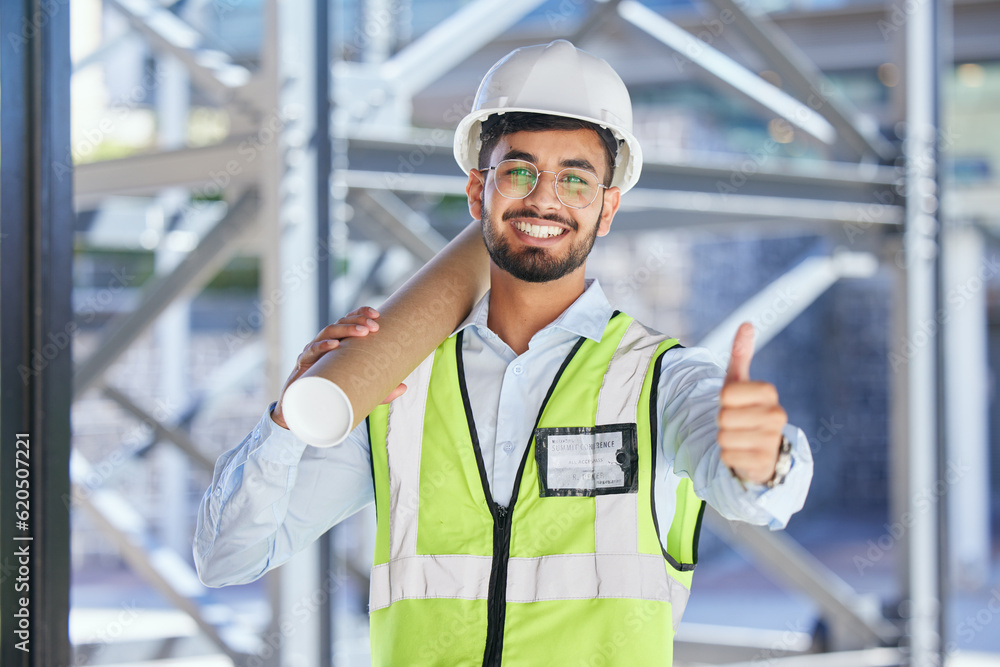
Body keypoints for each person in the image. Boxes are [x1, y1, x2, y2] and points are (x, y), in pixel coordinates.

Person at [195, 40, 813, 666]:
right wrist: (286, 422)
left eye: (576, 179)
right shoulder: (397, 389)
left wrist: (764, 459)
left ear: (606, 208)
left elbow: (757, 493)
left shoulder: (661, 380)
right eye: (518, 170)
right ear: (476, 192)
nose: (545, 199)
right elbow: (227, 557)